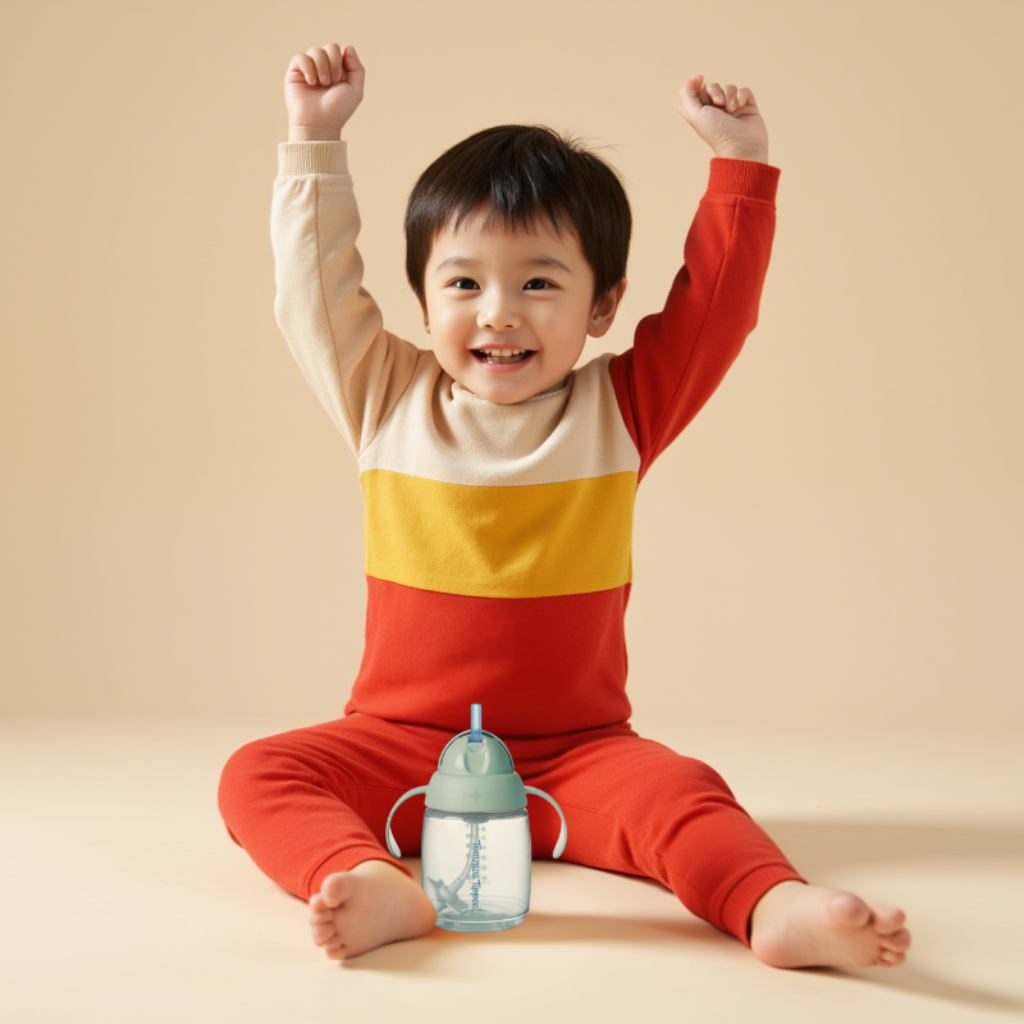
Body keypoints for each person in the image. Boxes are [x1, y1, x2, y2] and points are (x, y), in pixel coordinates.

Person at [218, 42, 913, 969]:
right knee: (257, 773)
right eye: (464, 283)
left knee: (686, 793)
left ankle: (773, 905)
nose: (498, 312)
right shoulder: (384, 398)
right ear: (422, 300)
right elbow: (312, 290)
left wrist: (739, 165)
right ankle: (368, 878)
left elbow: (716, 311)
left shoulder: (621, 410)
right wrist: (314, 138)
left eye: (539, 282)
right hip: (401, 747)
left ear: (602, 305)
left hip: (577, 755)